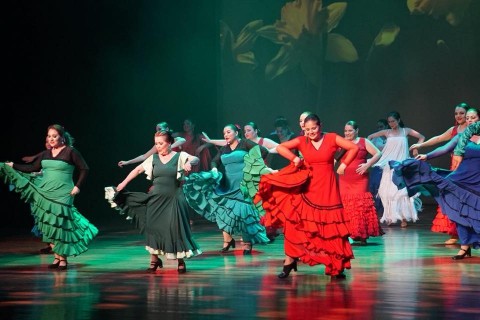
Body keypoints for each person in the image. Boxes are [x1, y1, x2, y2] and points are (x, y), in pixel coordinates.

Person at [255, 114, 359, 279]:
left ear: (320, 125)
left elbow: (354, 147)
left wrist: (343, 165)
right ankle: (289, 261)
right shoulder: (302, 141)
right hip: (308, 187)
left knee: (331, 227)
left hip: (328, 190)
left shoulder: (331, 138)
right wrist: (294, 158)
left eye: (314, 128)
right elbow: (282, 148)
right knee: (295, 223)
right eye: (307, 129)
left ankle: (336, 265)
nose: (311, 132)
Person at [0, 124, 98, 270]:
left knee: (61, 224)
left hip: (64, 193)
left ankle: (63, 258)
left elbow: (84, 168)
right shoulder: (45, 154)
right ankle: (57, 257)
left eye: (54, 136)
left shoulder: (71, 152)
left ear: (62, 138)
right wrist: (13, 165)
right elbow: (32, 168)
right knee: (49, 224)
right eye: (49, 136)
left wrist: (77, 186)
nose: (51, 139)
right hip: (45, 191)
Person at [106, 130, 202, 273]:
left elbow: (196, 159)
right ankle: (154, 260)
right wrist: (123, 183)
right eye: (156, 143)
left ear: (169, 143)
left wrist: (188, 162)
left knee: (175, 228)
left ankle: (180, 260)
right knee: (153, 227)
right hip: (156, 198)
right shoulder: (153, 159)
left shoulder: (179, 156)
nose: (158, 146)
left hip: (173, 198)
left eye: (161, 143)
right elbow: (138, 170)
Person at [390, 109, 480, 259]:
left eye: (473, 117)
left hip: (477, 181)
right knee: (460, 212)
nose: (469, 120)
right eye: (468, 118)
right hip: (461, 179)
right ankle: (464, 247)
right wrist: (427, 155)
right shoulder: (461, 136)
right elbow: (444, 148)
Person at [183, 124, 271, 254]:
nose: (226, 135)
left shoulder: (245, 144)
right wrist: (213, 169)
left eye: (228, 132)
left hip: (244, 184)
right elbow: (214, 161)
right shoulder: (224, 149)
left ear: (236, 133)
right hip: (229, 185)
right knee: (224, 211)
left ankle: (247, 244)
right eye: (224, 133)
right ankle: (228, 240)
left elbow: (264, 151)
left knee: (244, 213)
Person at [409, 102, 469, 244]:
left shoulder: (474, 131)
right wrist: (421, 145)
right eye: (456, 113)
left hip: (470, 168)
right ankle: (455, 232)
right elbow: (439, 139)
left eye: (461, 113)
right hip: (455, 168)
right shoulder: (454, 130)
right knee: (453, 199)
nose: (458, 116)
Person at [367, 111, 425, 228]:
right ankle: (390, 216)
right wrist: (377, 153)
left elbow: (421, 137)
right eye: (389, 122)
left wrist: (416, 148)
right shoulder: (387, 132)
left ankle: (403, 218)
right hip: (389, 166)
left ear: (398, 120)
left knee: (402, 192)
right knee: (387, 192)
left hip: (402, 165)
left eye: (393, 121)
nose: (391, 123)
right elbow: (369, 137)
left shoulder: (405, 131)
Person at [338, 120, 384, 245]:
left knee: (360, 204)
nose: (347, 133)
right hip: (345, 179)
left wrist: (368, 164)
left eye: (350, 131)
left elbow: (378, 153)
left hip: (360, 178)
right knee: (346, 205)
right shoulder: (341, 142)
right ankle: (349, 233)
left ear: (356, 130)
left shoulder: (364, 141)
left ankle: (362, 234)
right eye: (345, 131)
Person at [117, 121, 186, 167]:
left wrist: (169, 147)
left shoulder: (176, 139)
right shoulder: (159, 145)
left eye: (160, 129)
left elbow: (183, 140)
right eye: (157, 130)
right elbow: (144, 157)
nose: (158, 131)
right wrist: (127, 162)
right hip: (166, 169)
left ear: (167, 129)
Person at [368, 119, 389, 215]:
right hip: (378, 166)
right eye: (378, 127)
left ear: (386, 127)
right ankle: (377, 210)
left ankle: (387, 211)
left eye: (381, 127)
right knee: (375, 186)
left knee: (387, 189)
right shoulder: (374, 139)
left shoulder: (391, 138)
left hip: (389, 166)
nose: (379, 129)